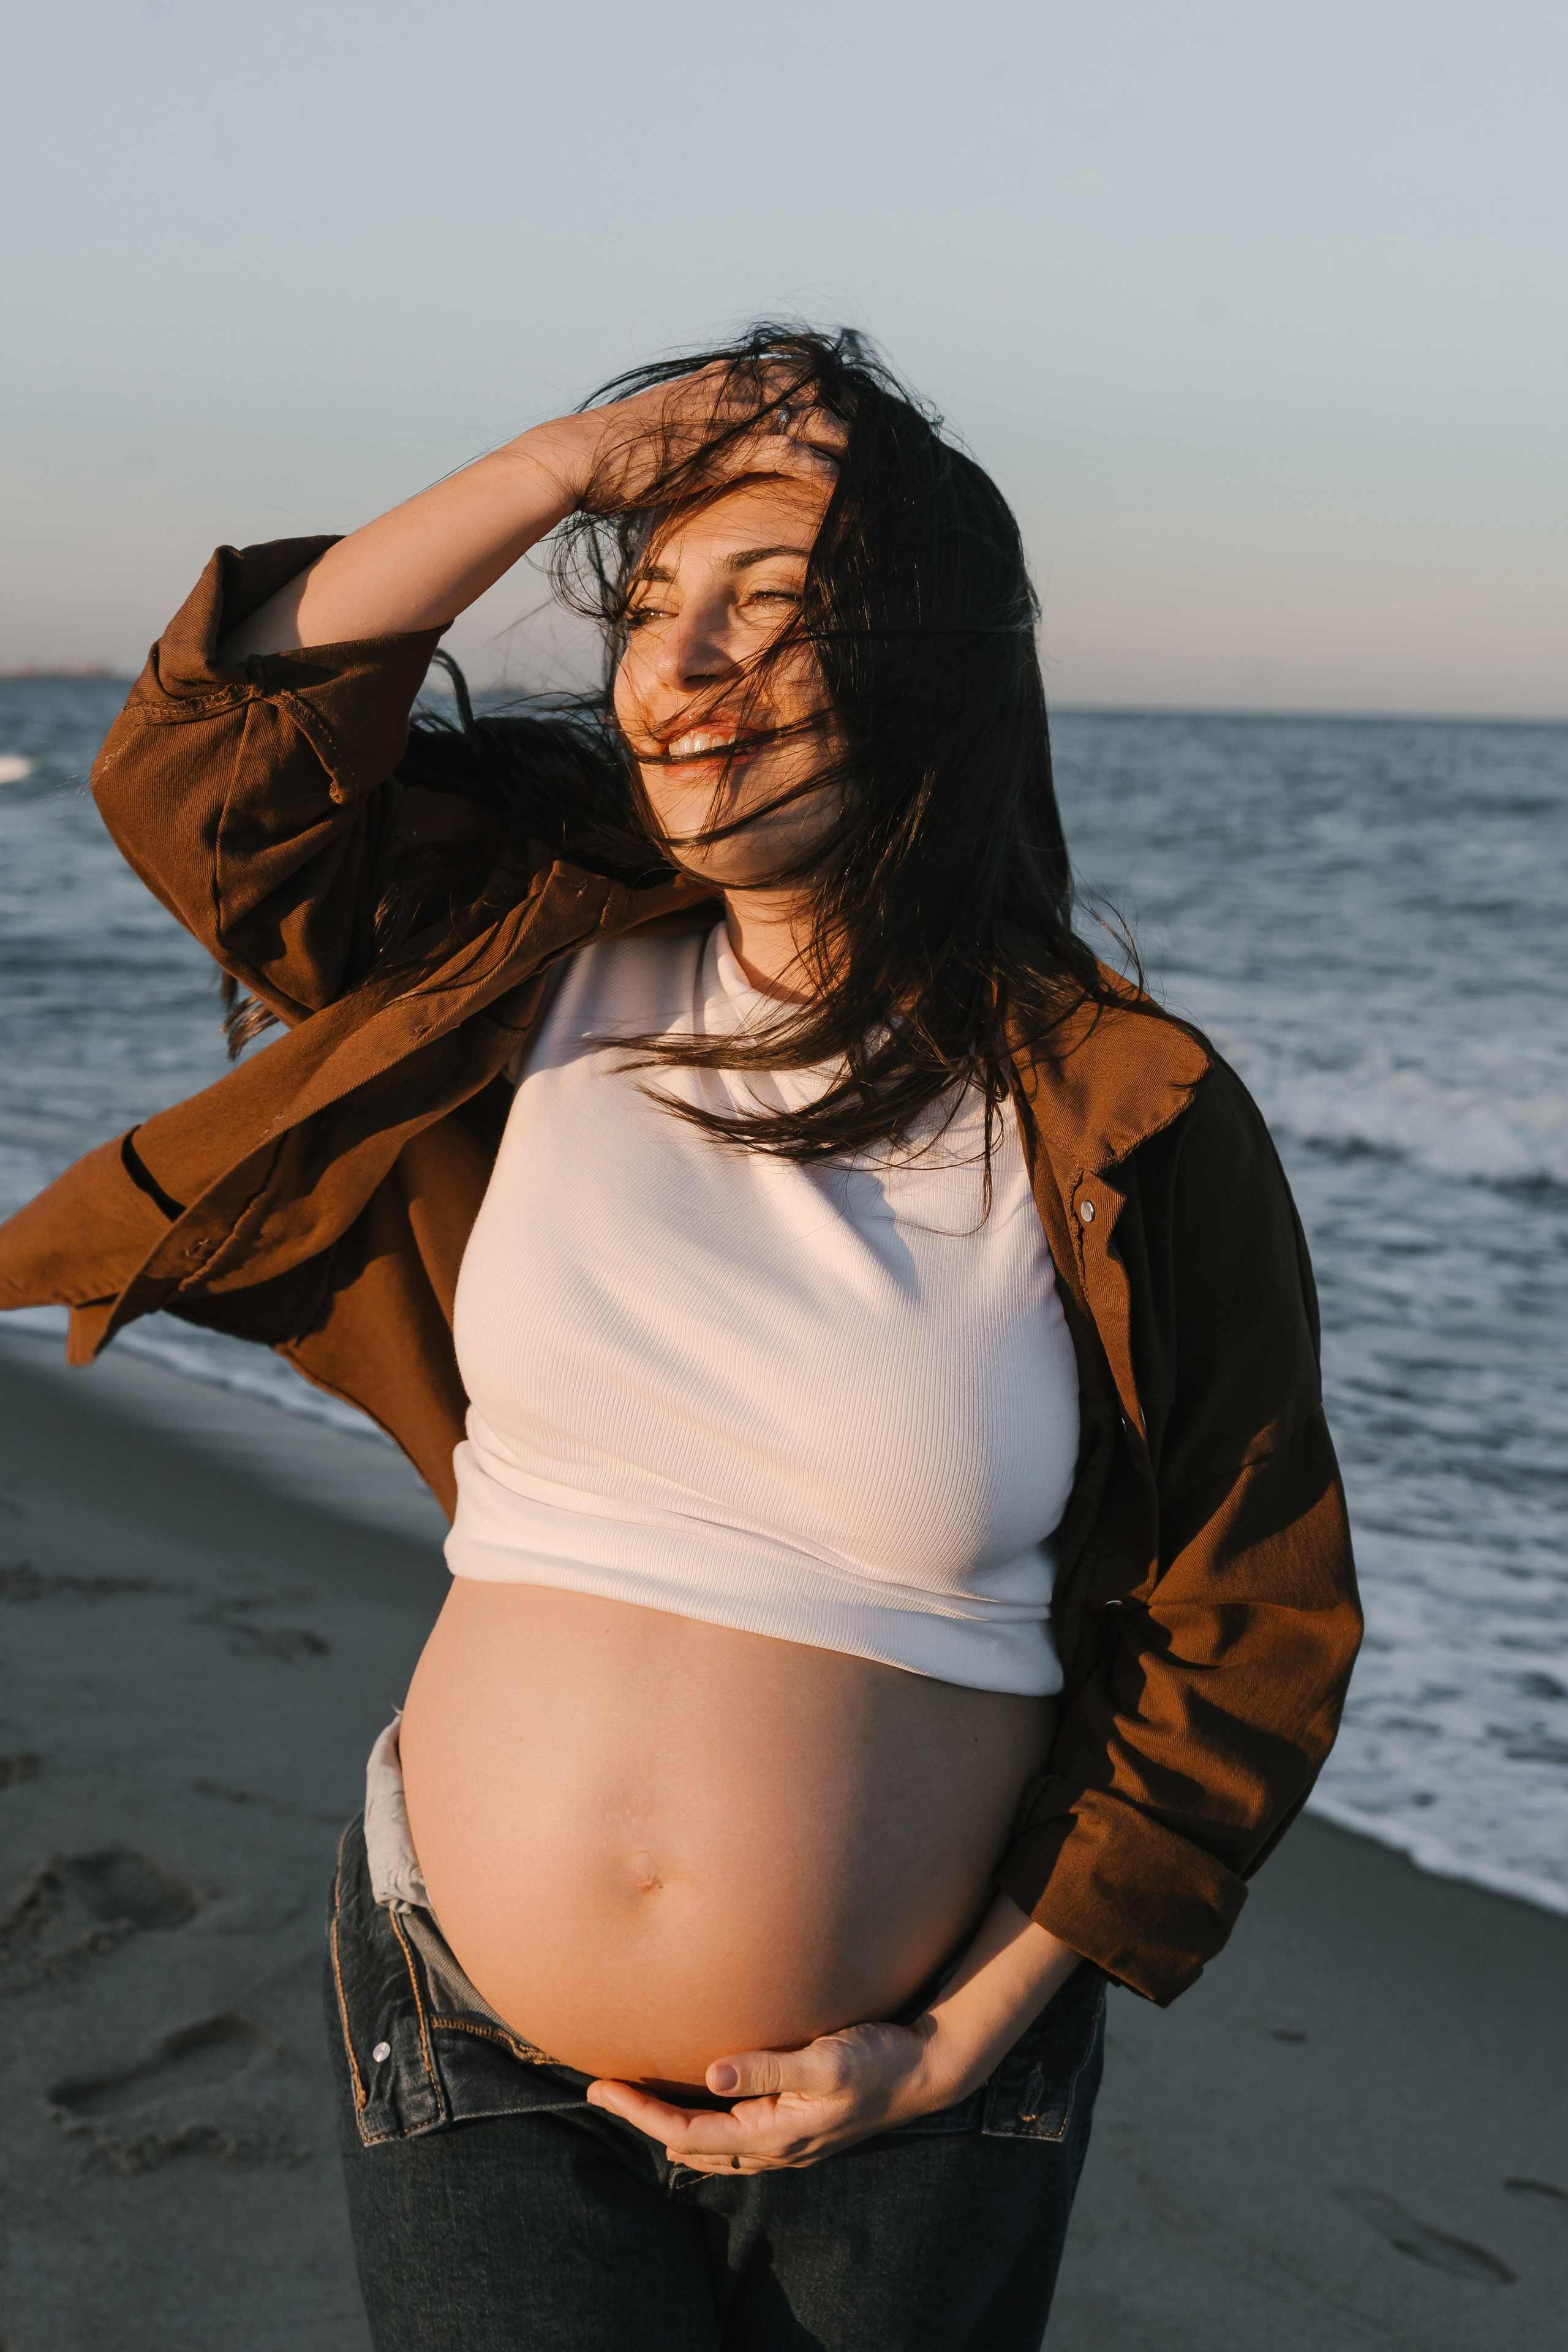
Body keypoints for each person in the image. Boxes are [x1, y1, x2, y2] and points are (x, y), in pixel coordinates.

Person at [0, 327, 1361, 2350]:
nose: (684, 667)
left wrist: (965, 2038)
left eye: (776, 611)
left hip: (909, 2085)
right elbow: (208, 762)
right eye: (649, 608)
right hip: (459, 2015)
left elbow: (1247, 1628)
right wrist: (572, 459)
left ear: (928, 670)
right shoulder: (516, 947)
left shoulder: (1121, 1112)